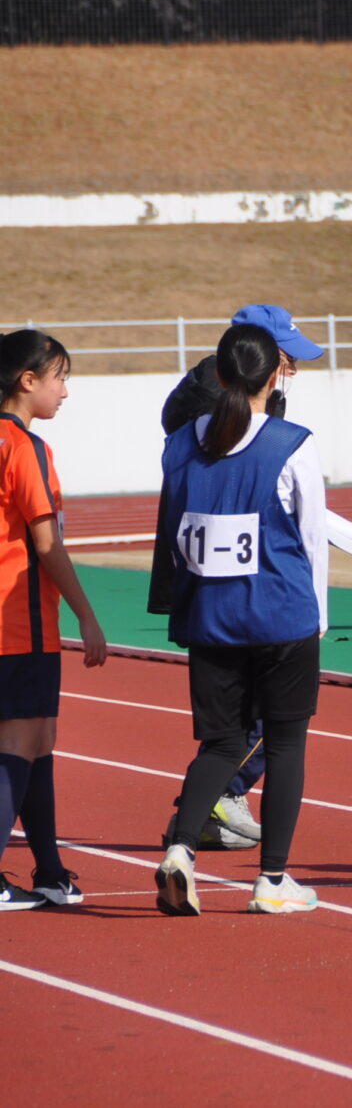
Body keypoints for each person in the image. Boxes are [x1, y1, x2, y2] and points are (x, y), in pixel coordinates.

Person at [154, 323, 329, 915]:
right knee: (286, 746)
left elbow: (177, 535)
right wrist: (318, 617)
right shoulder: (292, 443)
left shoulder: (180, 444)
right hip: (282, 615)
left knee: (221, 742)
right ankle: (272, 879)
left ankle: (180, 849)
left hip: (211, 618)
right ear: (275, 374)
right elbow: (312, 539)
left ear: (219, 373)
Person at [0, 330, 108, 911]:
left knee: (39, 738)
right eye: (60, 378)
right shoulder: (25, 447)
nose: (65, 391)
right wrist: (86, 615)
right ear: (28, 380)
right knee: (22, 739)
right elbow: (46, 542)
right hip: (19, 619)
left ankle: (49, 869)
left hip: (14, 619)